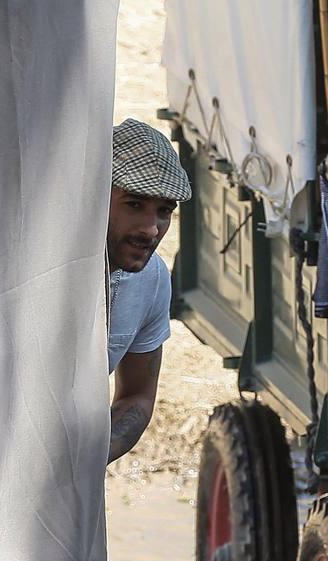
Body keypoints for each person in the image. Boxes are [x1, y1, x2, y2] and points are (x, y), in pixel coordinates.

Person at [105, 118, 190, 463]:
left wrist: (82, 464)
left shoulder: (152, 280)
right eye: (135, 205)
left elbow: (136, 397)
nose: (151, 229)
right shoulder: (35, 269)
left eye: (165, 211)